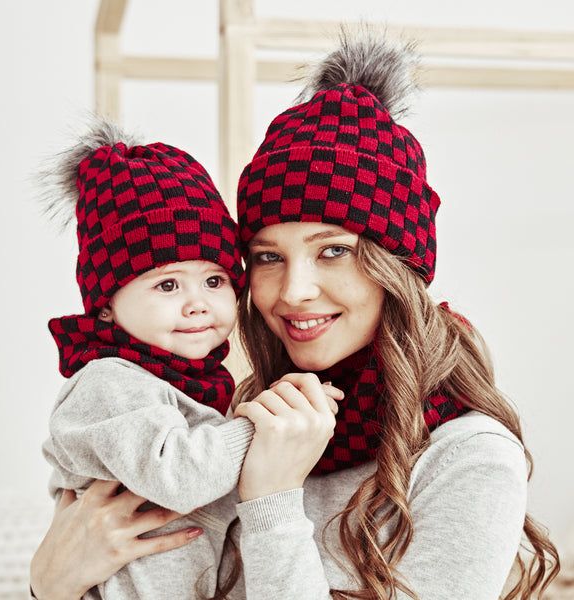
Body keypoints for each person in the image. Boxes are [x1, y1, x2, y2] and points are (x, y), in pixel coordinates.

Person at [30, 31, 560, 600]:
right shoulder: (242, 411)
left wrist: (272, 503)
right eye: (267, 257)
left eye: (333, 250)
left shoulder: (468, 457)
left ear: (397, 263)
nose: (295, 291)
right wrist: (51, 583)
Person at [38, 122, 342, 599]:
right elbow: (179, 478)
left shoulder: (190, 381)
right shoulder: (108, 381)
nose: (197, 303)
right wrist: (266, 422)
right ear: (105, 305)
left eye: (215, 281)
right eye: (167, 285)